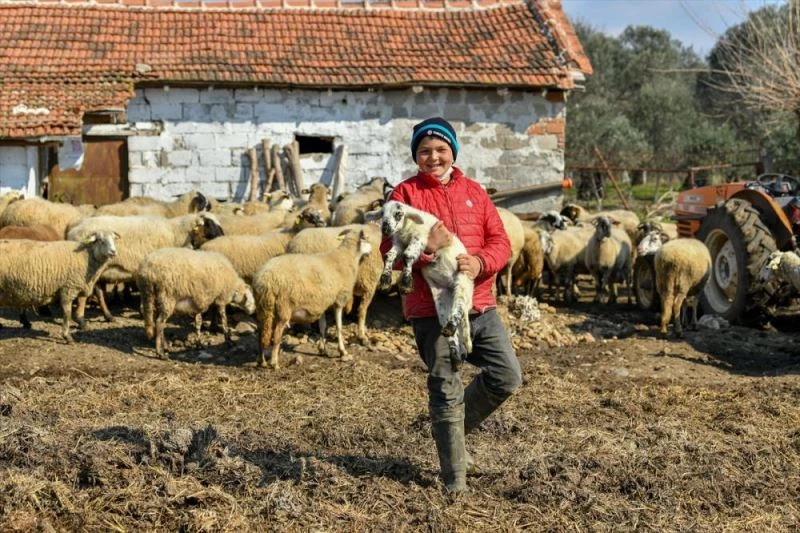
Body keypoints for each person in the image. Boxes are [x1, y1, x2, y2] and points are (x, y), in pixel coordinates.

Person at [381, 117, 523, 493]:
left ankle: (452, 434)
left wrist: (480, 263)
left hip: (479, 303)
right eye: (425, 151)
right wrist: (427, 250)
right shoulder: (405, 195)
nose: (433, 157)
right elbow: (390, 252)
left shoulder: (474, 191)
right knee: (445, 387)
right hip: (432, 310)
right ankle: (454, 481)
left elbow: (500, 242)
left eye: (441, 150)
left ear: (453, 152)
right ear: (416, 155)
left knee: (506, 376)